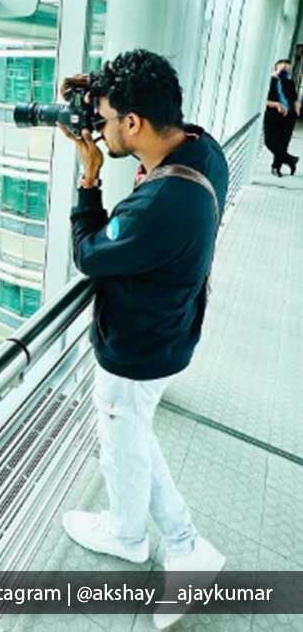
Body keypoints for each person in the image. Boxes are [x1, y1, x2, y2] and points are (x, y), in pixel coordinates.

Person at [58, 50, 229, 631]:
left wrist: (87, 177)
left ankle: (152, 540)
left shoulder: (160, 204)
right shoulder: (202, 148)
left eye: (105, 119)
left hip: (138, 350)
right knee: (133, 434)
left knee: (122, 441)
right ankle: (168, 541)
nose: (99, 131)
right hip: (172, 330)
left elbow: (90, 254)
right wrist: (103, 88)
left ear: (134, 122)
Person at [263, 59, 300, 176]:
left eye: (288, 69)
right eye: (283, 68)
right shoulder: (268, 81)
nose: (285, 71)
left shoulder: (289, 82)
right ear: (276, 67)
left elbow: (294, 98)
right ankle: (290, 160)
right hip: (272, 115)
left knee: (283, 143)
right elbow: (261, 100)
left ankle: (276, 168)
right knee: (269, 141)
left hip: (288, 117)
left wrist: (297, 109)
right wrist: (276, 104)